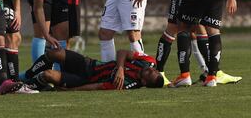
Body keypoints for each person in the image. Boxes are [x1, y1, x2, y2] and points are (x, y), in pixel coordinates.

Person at [1, 0, 82, 93]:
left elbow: (39, 8)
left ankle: (9, 83)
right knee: (13, 38)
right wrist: (17, 12)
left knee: (13, 38)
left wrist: (47, 35)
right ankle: (11, 84)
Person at [22, 49, 163, 91]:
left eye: (151, 74)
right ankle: (26, 77)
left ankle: (24, 86)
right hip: (89, 64)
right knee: (55, 53)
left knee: (48, 74)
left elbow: (98, 86)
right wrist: (120, 67)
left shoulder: (126, 84)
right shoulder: (149, 62)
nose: (152, 70)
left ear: (144, 82)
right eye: (154, 71)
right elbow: (123, 52)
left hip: (84, 79)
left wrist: (73, 90)